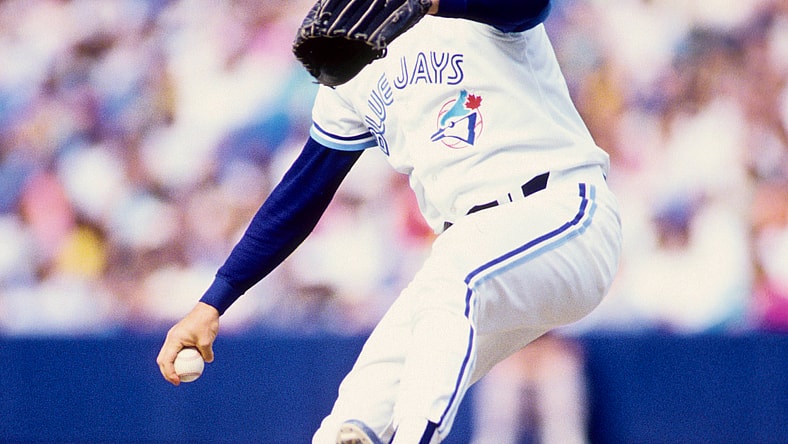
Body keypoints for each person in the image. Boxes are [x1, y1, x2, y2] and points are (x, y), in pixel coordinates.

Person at [157, 0, 623, 443]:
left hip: (561, 210)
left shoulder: (464, 9)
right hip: (473, 248)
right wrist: (213, 302)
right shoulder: (351, 66)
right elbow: (300, 195)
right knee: (356, 413)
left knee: (452, 280)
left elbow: (528, 6)